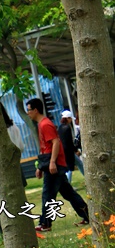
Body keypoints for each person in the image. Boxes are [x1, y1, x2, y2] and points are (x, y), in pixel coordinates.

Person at [26, 97, 88, 233]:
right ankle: (87, 215)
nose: (27, 113)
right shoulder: (42, 124)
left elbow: (55, 143)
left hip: (54, 165)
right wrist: (40, 166)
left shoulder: (45, 124)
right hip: (51, 164)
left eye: (29, 110)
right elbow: (45, 148)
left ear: (36, 110)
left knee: (48, 194)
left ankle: (45, 223)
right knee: (69, 193)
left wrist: (53, 162)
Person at [58, 110, 77, 183]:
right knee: (69, 168)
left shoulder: (60, 127)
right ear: (68, 118)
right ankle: (68, 183)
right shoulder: (67, 128)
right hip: (68, 151)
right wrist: (75, 149)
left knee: (78, 164)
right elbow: (69, 142)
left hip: (63, 149)